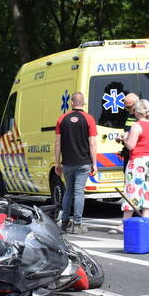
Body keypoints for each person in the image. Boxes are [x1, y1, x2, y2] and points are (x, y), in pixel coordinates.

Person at [53, 91, 98, 233]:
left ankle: (65, 221)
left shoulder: (62, 119)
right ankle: (77, 225)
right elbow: (92, 143)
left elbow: (57, 143)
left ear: (71, 103)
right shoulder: (89, 119)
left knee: (68, 191)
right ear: (83, 103)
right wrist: (95, 163)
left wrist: (57, 163)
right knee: (79, 192)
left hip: (67, 163)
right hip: (83, 162)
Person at [122, 98, 149, 220]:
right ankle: (145, 220)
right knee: (148, 189)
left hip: (137, 160)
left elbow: (131, 146)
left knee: (132, 190)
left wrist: (124, 139)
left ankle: (125, 222)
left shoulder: (136, 126)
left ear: (137, 112)